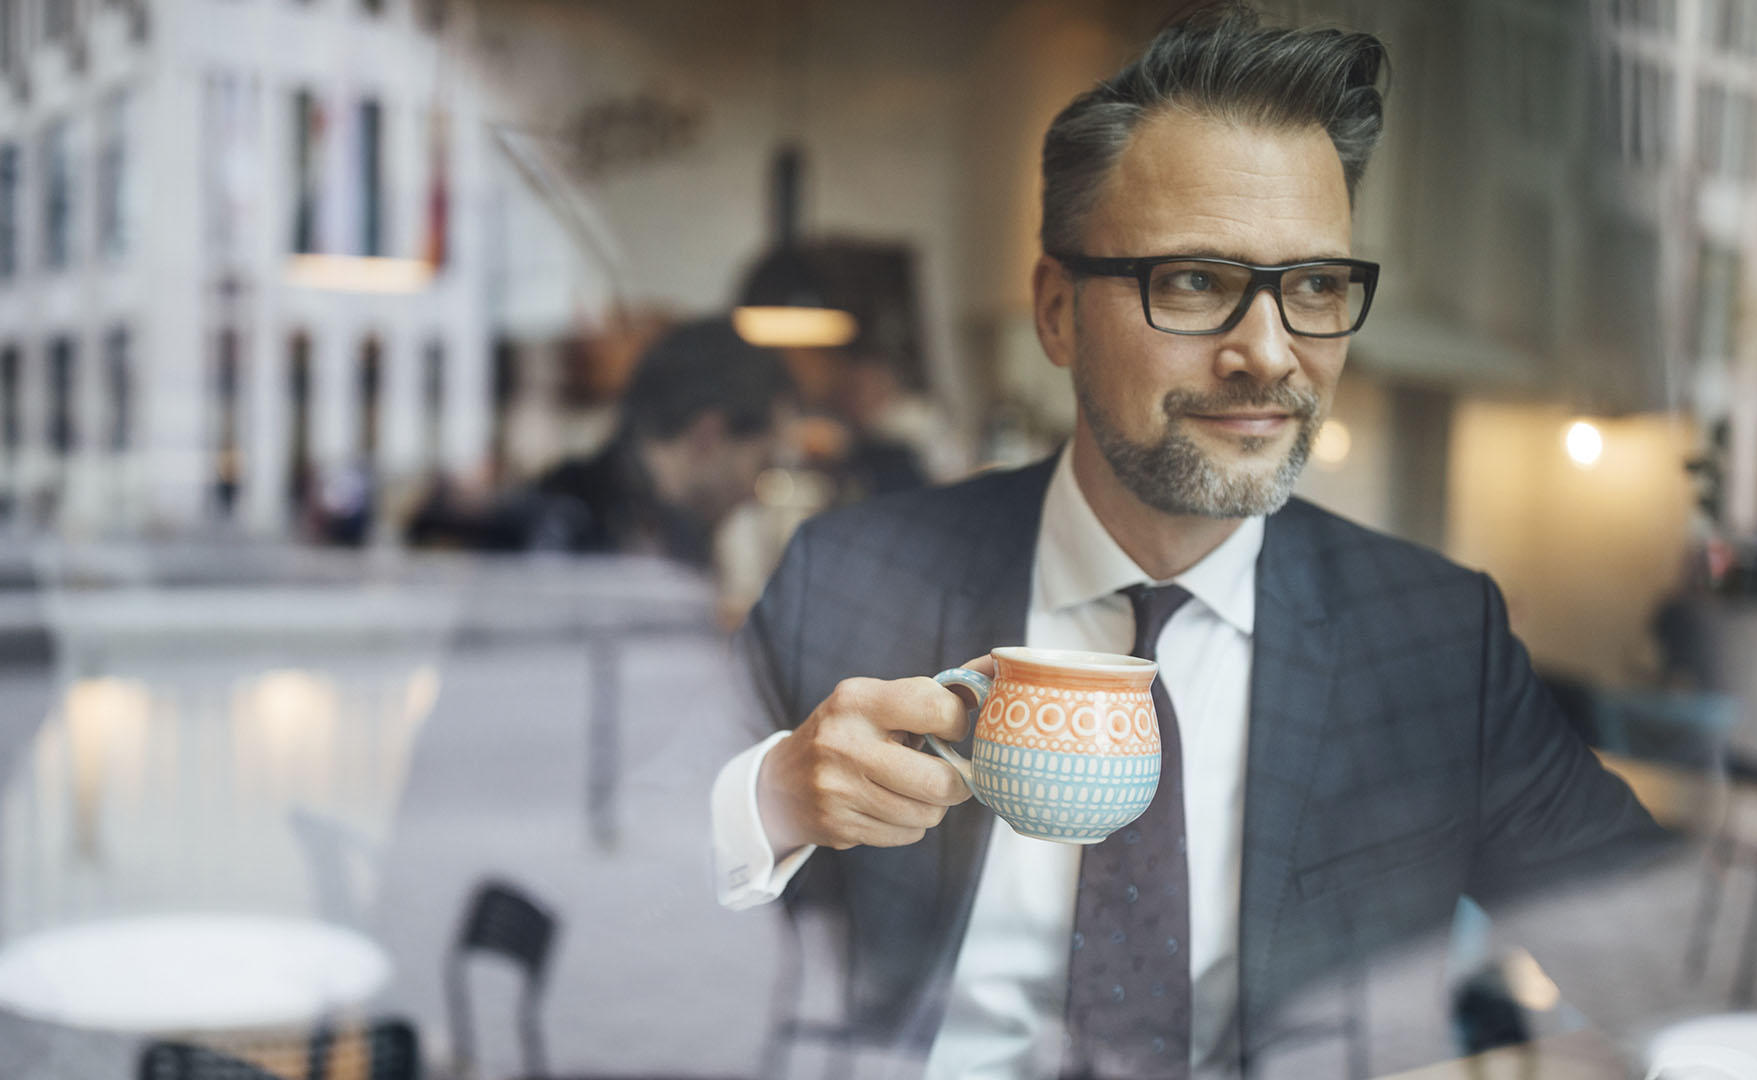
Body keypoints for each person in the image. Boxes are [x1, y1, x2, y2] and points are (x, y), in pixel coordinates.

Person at [710, 6, 1667, 1078]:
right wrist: (775, 797)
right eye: (1197, 281)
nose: (1267, 354)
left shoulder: (1439, 642)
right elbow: (622, 900)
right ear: (1058, 312)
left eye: (1313, 286)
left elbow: (1668, 953)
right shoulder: (849, 577)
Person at [410, 317, 794, 568]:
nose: (755, 491)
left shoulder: (653, 530)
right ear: (708, 436)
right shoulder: (574, 528)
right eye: (761, 463)